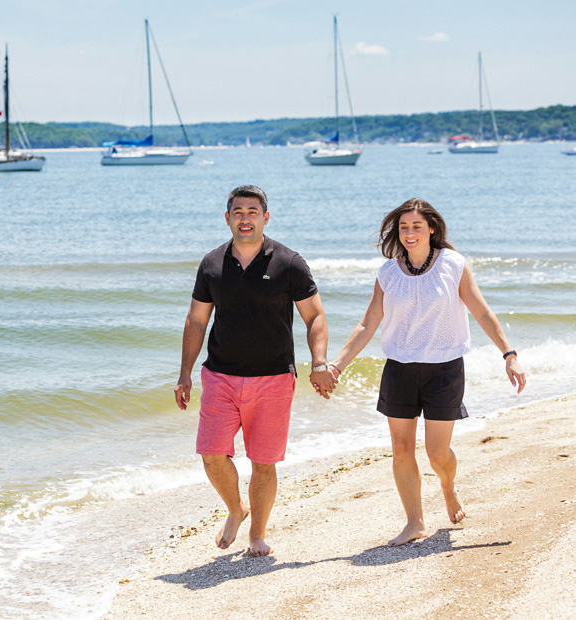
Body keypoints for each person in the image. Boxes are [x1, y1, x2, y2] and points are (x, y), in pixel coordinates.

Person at [328, 198, 526, 546]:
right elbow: (368, 323)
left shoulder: (453, 264)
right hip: (399, 370)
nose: (409, 233)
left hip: (445, 369)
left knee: (437, 453)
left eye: (416, 226)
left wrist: (509, 354)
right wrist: (337, 364)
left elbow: (481, 312)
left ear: (432, 228)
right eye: (403, 227)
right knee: (402, 448)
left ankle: (448, 488)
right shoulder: (388, 272)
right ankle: (415, 522)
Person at [174, 185, 337, 557]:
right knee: (211, 453)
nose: (244, 218)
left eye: (252, 211)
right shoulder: (212, 263)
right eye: (237, 211)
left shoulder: (289, 262)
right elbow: (197, 320)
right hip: (220, 375)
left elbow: (315, 316)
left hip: (274, 377)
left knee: (263, 462)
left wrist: (320, 362)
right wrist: (184, 373)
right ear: (227, 217)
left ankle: (257, 535)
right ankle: (236, 509)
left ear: (265, 217)